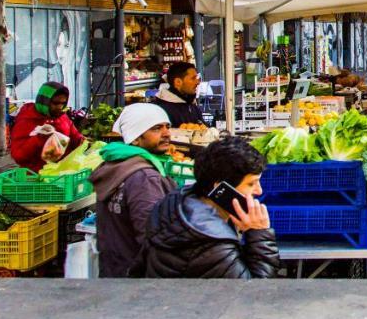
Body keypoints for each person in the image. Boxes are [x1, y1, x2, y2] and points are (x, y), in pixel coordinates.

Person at [138, 136, 280, 279]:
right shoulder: (211, 244)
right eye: (251, 184)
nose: (259, 191)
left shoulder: (178, 203)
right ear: (221, 189)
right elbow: (254, 292)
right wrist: (259, 234)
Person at [90, 103, 176, 278]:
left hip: (114, 270)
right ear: (135, 138)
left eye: (167, 126)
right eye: (156, 128)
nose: (166, 133)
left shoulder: (116, 164)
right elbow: (152, 235)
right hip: (137, 278)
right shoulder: (144, 177)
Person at [8, 82, 85, 173]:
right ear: (44, 101)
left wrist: (85, 143)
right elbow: (18, 156)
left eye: (63, 103)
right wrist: (39, 138)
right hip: (36, 176)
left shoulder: (62, 118)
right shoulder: (26, 120)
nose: (59, 107)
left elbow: (75, 138)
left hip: (62, 173)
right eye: (55, 103)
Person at [152, 62, 205, 127]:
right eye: (193, 78)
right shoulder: (162, 110)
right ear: (178, 82)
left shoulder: (190, 103)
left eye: (196, 78)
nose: (197, 82)